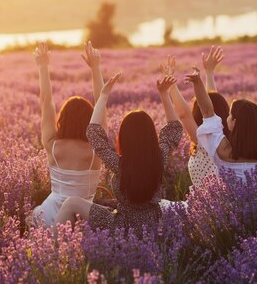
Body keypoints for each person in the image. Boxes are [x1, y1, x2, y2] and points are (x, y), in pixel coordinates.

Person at [54, 73, 183, 235]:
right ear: (151, 136)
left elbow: (93, 132)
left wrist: (103, 95)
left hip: (122, 227)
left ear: (124, 138)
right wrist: (165, 94)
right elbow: (174, 129)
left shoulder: (120, 165)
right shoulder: (159, 159)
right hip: (153, 228)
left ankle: (54, 253)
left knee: (71, 203)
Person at [27, 41, 106, 227]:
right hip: (82, 219)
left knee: (31, 220)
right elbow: (102, 102)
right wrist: (96, 68)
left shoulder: (52, 144)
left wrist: (43, 66)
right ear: (90, 122)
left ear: (62, 119)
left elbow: (46, 101)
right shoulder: (96, 148)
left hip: (48, 215)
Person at [160, 46, 230, 188]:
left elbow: (185, 115)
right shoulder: (223, 139)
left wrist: (172, 86)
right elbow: (210, 105)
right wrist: (209, 72)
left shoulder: (204, 140)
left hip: (205, 207)